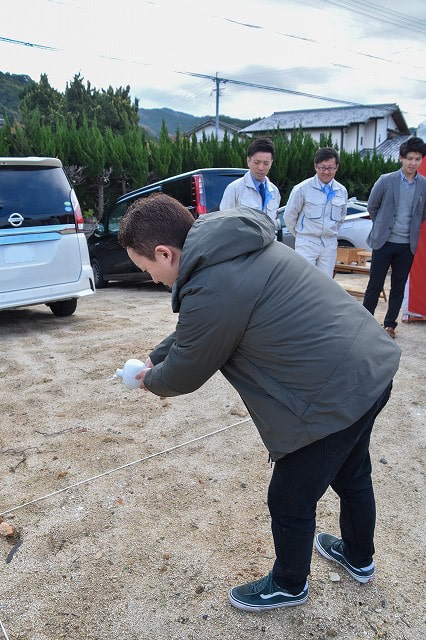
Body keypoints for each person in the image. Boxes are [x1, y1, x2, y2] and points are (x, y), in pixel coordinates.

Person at [117, 194, 400, 613]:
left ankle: (288, 584)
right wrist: (157, 356)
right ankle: (359, 557)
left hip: (332, 397)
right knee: (352, 472)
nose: (153, 279)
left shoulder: (213, 283)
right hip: (370, 367)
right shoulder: (232, 247)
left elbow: (187, 369)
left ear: (164, 252)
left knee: (289, 499)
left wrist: (151, 380)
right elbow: (197, 331)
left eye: (147, 269)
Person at [363, 136, 426, 339]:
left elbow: (423, 213)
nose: (413, 163)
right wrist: (383, 225)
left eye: (417, 159)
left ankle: (390, 325)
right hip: (384, 242)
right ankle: (364, 322)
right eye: (409, 158)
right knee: (375, 283)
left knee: (398, 286)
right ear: (401, 158)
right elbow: (372, 207)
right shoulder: (386, 180)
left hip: (407, 244)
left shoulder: (424, 184)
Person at [284, 147, 348, 277]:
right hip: (307, 243)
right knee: (303, 281)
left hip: (329, 244)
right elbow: (289, 216)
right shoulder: (302, 189)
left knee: (325, 283)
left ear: (337, 167)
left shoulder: (341, 191)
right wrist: (302, 236)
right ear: (315, 166)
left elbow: (341, 218)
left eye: (330, 168)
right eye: (322, 167)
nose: (326, 172)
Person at [219, 137, 281, 224]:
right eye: (257, 162)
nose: (261, 168)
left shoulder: (274, 191)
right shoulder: (234, 189)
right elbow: (224, 222)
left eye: (266, 163)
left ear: (271, 163)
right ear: (248, 161)